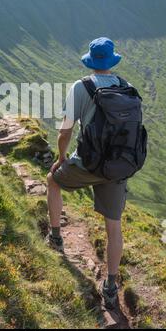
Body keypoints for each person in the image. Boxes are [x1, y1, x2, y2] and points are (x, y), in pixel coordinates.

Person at [47, 37, 129, 309]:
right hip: (117, 166)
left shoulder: (81, 87)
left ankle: (56, 237)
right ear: (112, 61)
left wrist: (61, 158)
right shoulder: (126, 87)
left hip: (88, 163)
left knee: (52, 180)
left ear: (92, 62)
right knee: (113, 228)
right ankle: (110, 285)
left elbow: (65, 130)